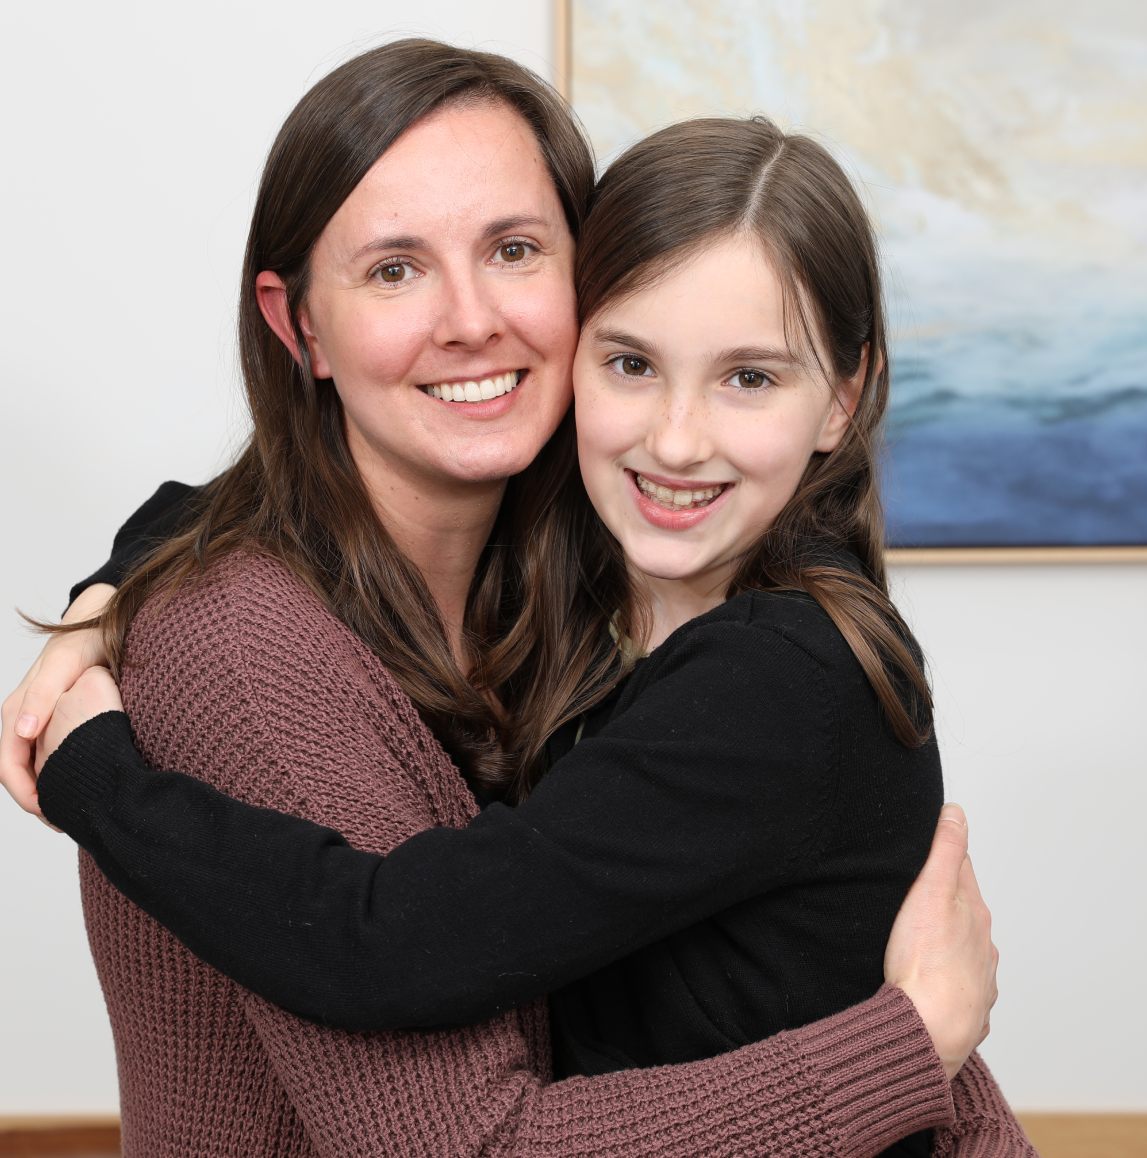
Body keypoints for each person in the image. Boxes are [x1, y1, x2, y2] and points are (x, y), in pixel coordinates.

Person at [5, 40, 1032, 1158]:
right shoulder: (251, 643)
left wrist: (924, 1053)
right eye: (394, 268)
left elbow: (798, 953)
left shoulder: (585, 581)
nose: (471, 319)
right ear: (299, 325)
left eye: (514, 249)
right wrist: (908, 1049)